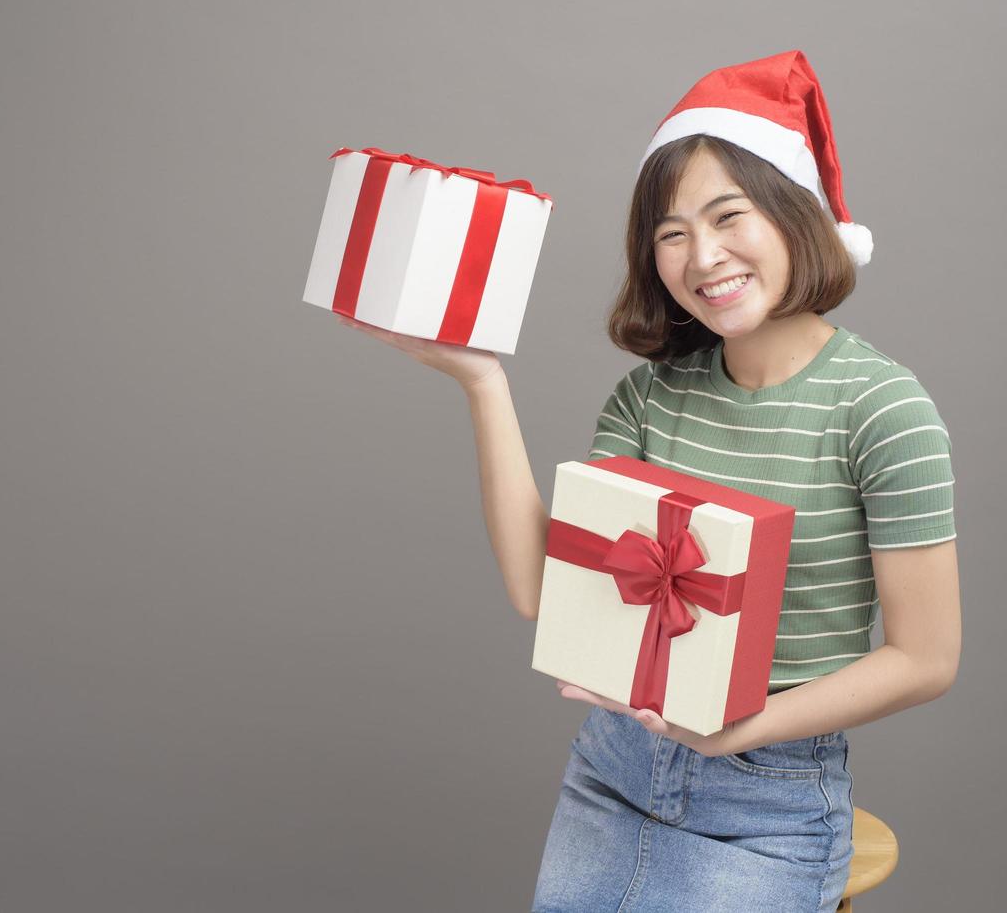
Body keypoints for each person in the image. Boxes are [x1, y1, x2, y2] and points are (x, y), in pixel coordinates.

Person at [336, 50, 961, 912]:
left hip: (768, 796)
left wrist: (742, 729)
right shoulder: (649, 397)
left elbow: (926, 658)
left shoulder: (883, 409)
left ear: (795, 215)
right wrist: (484, 382)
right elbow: (542, 591)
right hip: (616, 768)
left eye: (728, 216)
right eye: (671, 234)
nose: (703, 256)